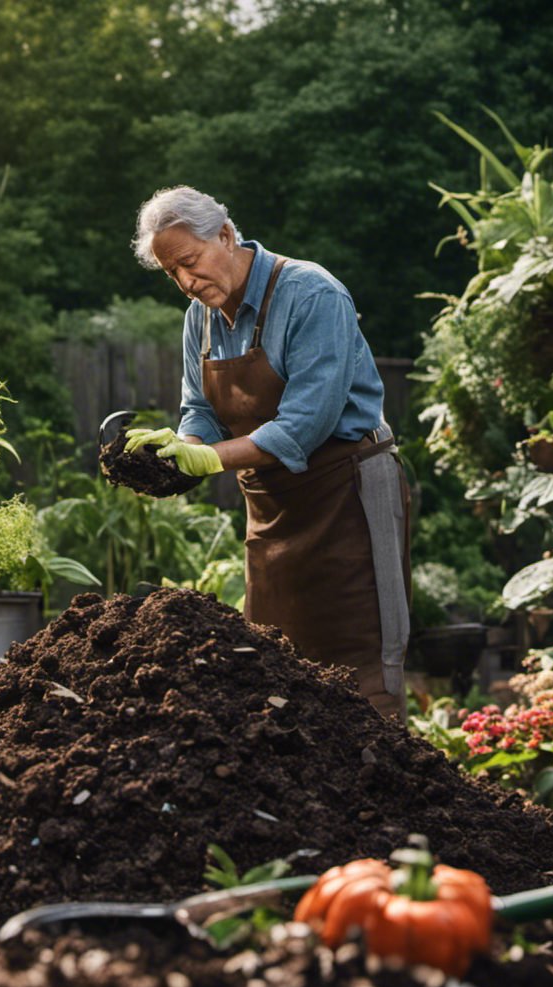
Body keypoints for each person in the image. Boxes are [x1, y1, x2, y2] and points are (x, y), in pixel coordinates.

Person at [126, 185, 411, 720]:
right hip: (273, 506)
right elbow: (201, 411)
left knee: (362, 666)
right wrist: (182, 447)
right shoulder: (201, 317)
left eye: (190, 262)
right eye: (172, 274)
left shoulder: (312, 295)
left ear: (227, 235)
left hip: (347, 492)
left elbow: (307, 423)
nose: (186, 282)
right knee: (275, 662)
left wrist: (210, 460)